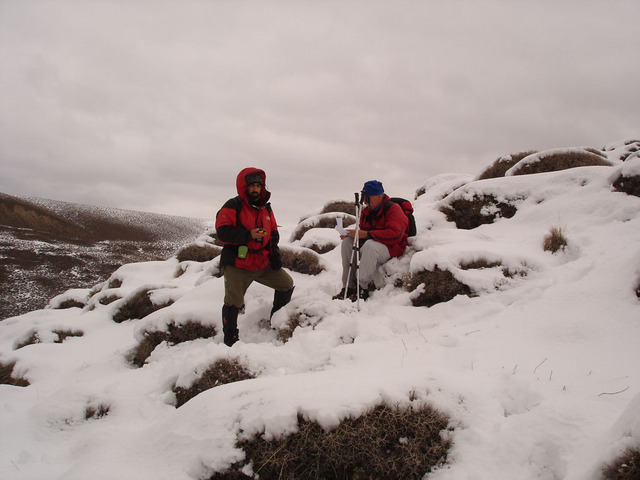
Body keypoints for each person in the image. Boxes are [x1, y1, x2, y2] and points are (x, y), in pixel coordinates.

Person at [215, 167, 294, 346]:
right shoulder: (232, 205)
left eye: (259, 185)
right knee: (233, 302)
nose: (256, 189)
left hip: (262, 261)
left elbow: (273, 234)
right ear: (244, 187)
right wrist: (248, 235)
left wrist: (275, 256)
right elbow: (222, 233)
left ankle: (276, 320)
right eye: (252, 186)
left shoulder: (266, 208)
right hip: (238, 263)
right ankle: (230, 340)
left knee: (286, 284)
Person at [333, 180, 409, 302]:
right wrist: (352, 234)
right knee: (347, 242)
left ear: (379, 196)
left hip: (392, 247)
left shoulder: (393, 209)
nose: (365, 201)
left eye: (368, 198)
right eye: (365, 198)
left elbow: (396, 234)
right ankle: (348, 286)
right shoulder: (367, 212)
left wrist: (366, 234)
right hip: (373, 245)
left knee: (370, 245)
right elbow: (364, 233)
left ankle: (362, 287)